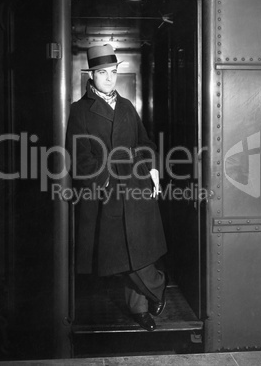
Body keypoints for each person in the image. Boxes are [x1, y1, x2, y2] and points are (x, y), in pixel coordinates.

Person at [66, 44, 167, 331]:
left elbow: (145, 143)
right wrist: (107, 180)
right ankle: (157, 285)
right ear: (91, 75)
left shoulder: (126, 106)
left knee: (136, 247)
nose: (110, 79)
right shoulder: (79, 111)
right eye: (103, 73)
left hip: (134, 187)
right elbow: (79, 156)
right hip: (105, 192)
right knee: (120, 252)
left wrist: (154, 167)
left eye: (113, 72)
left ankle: (140, 309)